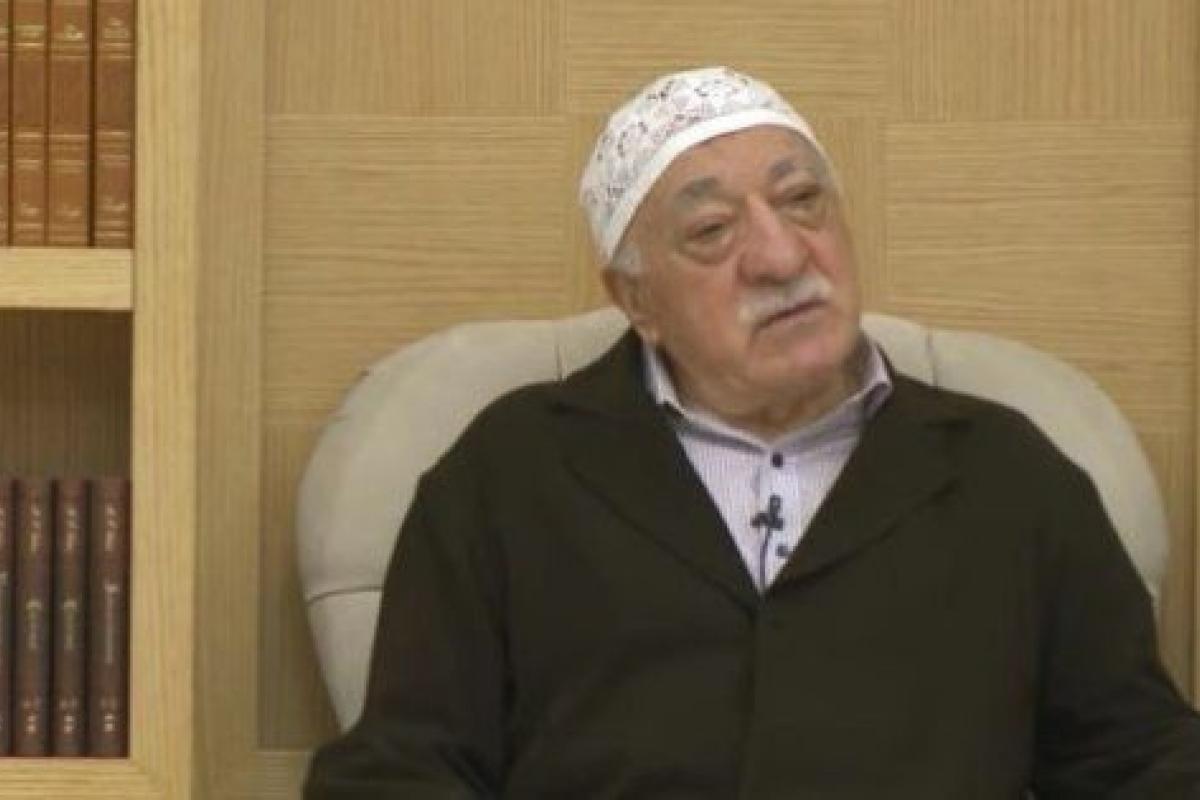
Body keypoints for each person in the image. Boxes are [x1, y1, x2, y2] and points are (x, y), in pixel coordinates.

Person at [304, 66, 1200, 798]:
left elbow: (1140, 763)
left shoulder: (1009, 475)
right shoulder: (511, 476)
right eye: (711, 230)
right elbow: (401, 773)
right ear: (636, 298)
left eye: (803, 200)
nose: (780, 255)